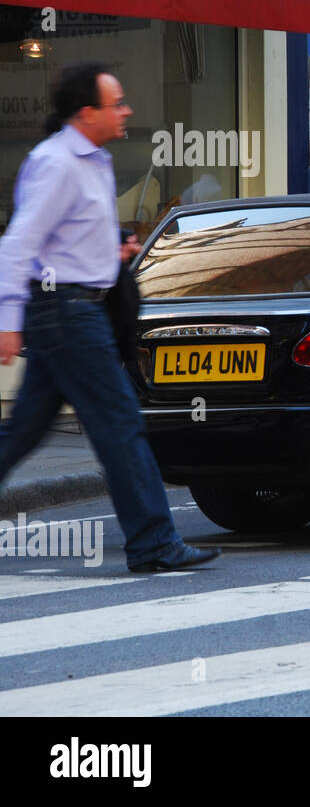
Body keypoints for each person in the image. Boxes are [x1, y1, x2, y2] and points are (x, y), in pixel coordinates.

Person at [0, 63, 220, 572]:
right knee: (120, 425)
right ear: (85, 112)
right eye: (116, 103)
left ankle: (154, 541)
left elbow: (68, 238)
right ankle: (154, 543)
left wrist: (113, 251)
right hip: (67, 313)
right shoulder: (56, 163)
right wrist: (8, 319)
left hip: (76, 309)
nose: (127, 110)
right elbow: (18, 246)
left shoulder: (93, 160)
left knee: (24, 430)